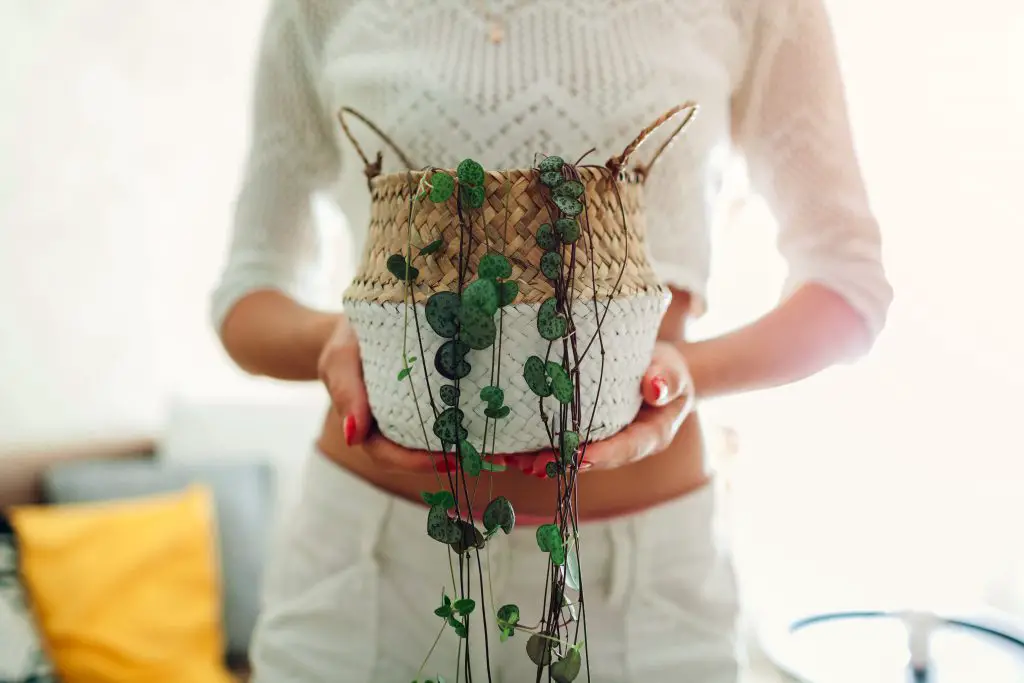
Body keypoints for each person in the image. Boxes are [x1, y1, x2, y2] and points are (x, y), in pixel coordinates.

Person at [211, 0, 893, 680]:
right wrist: (336, 341)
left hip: (640, 587)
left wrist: (685, 370)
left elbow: (848, 285)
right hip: (366, 567)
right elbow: (249, 292)